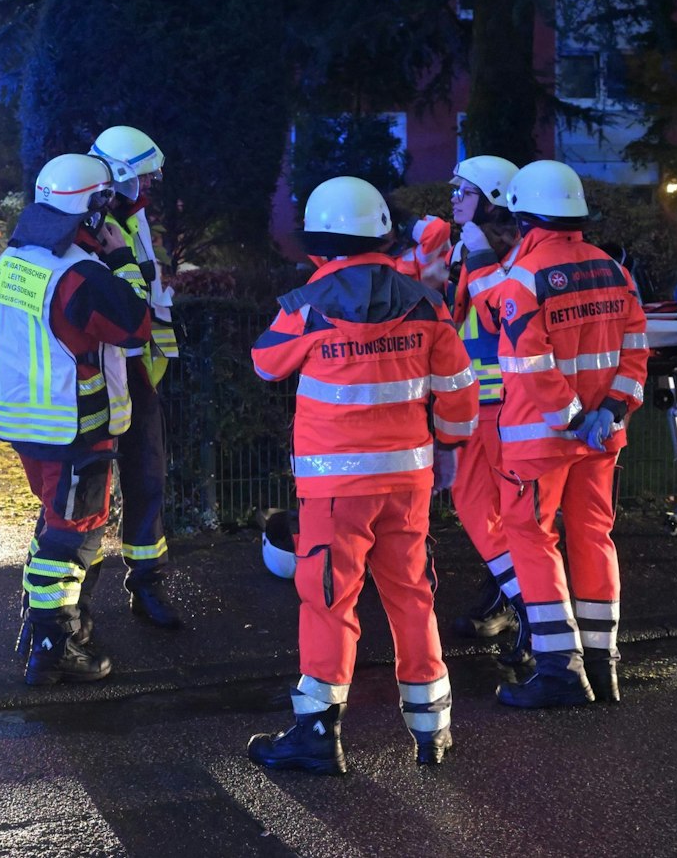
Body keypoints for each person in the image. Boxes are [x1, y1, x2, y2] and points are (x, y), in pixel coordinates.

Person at [246, 177, 480, 774]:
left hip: (335, 489)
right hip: (408, 482)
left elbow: (265, 363)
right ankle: (432, 731)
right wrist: (451, 447)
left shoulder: (307, 305)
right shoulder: (426, 302)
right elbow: (459, 390)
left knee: (329, 600)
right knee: (412, 595)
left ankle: (317, 735)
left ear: (319, 243)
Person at [0, 154, 153, 686]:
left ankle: (42, 624)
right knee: (72, 536)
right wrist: (124, 262)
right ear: (93, 210)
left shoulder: (9, 264)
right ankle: (55, 647)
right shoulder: (81, 274)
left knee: (55, 522)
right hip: (77, 430)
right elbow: (134, 326)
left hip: (24, 425)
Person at [480, 160, 650, 707]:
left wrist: (574, 418)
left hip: (542, 441)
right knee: (594, 536)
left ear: (524, 218)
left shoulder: (524, 279)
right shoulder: (614, 271)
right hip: (601, 437)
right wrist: (611, 411)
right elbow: (635, 351)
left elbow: (529, 366)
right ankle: (603, 666)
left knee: (533, 539)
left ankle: (559, 672)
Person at [88, 125, 181, 628]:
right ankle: (71, 604)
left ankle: (148, 585)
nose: (148, 187)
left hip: (138, 373)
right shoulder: (91, 222)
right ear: (120, 176)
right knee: (88, 490)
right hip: (100, 374)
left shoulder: (132, 217)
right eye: (142, 178)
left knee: (147, 478)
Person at [436, 156, 528, 660]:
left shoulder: (512, 254)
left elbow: (501, 316)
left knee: (503, 516)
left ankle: (533, 612)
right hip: (475, 405)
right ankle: (520, 603)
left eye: (464, 191)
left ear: (492, 199)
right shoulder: (467, 247)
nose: (453, 198)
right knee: (483, 513)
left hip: (506, 407)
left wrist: (479, 258)